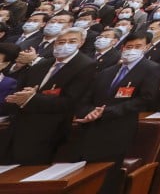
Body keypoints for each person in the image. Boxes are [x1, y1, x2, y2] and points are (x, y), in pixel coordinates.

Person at [71, 33, 160, 194]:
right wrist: (88, 112)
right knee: (84, 176)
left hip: (119, 128)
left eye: (138, 46)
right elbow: (87, 98)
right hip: (91, 128)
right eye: (128, 47)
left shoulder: (150, 68)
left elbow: (146, 99)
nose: (132, 50)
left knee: (107, 177)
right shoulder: (107, 72)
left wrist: (106, 112)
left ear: (146, 48)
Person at [2, 27, 96, 164]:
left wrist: (32, 98)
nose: (65, 45)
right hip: (19, 126)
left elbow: (71, 101)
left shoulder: (86, 65)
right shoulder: (42, 64)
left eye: (71, 41)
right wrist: (20, 98)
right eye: (61, 41)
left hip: (48, 131)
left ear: (81, 43)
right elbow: (22, 90)